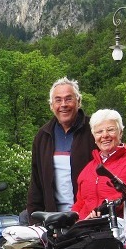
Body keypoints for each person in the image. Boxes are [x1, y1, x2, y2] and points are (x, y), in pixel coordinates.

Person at [71, 109, 126, 243]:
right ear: (94, 137)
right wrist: (72, 219)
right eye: (99, 132)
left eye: (110, 130)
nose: (105, 135)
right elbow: (81, 203)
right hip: (94, 238)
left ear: (120, 133)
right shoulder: (87, 170)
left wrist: (112, 203)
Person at [26, 77, 97, 222]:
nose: (63, 105)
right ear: (52, 106)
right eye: (58, 100)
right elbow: (36, 183)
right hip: (55, 219)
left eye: (68, 99)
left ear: (78, 102)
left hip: (89, 217)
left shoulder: (94, 130)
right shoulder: (42, 136)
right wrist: (34, 220)